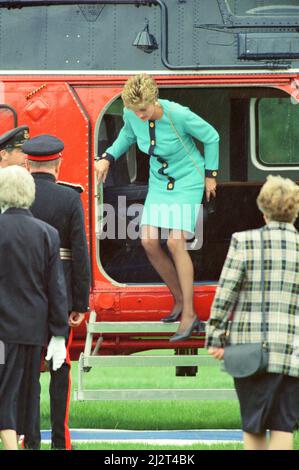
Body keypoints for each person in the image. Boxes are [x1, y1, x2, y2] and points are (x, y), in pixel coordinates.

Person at [95, 73, 219, 341]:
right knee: (149, 241)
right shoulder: (131, 115)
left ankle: (190, 315)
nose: (139, 115)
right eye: (133, 110)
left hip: (188, 179)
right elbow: (127, 136)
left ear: (154, 101)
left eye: (143, 109)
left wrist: (211, 174)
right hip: (160, 182)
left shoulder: (178, 114)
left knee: (176, 242)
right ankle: (177, 299)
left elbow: (211, 137)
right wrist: (107, 157)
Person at [206, 175, 299, 451]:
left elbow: (226, 293)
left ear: (262, 210)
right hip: (292, 351)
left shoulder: (243, 242)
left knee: (253, 424)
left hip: (249, 350)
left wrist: (215, 337)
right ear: (295, 211)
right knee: (283, 425)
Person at [22, 134, 91, 450]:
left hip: (23, 298)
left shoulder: (18, 198)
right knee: (60, 370)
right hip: (60, 299)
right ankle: (61, 441)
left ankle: (29, 438)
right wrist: (80, 302)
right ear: (58, 164)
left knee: (27, 374)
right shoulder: (69, 198)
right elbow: (80, 251)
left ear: (27, 163)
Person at [0, 166, 69, 450]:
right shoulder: (48, 234)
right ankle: (27, 443)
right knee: (29, 392)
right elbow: (56, 288)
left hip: (2, 331)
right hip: (33, 329)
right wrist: (58, 334)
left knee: (4, 390)